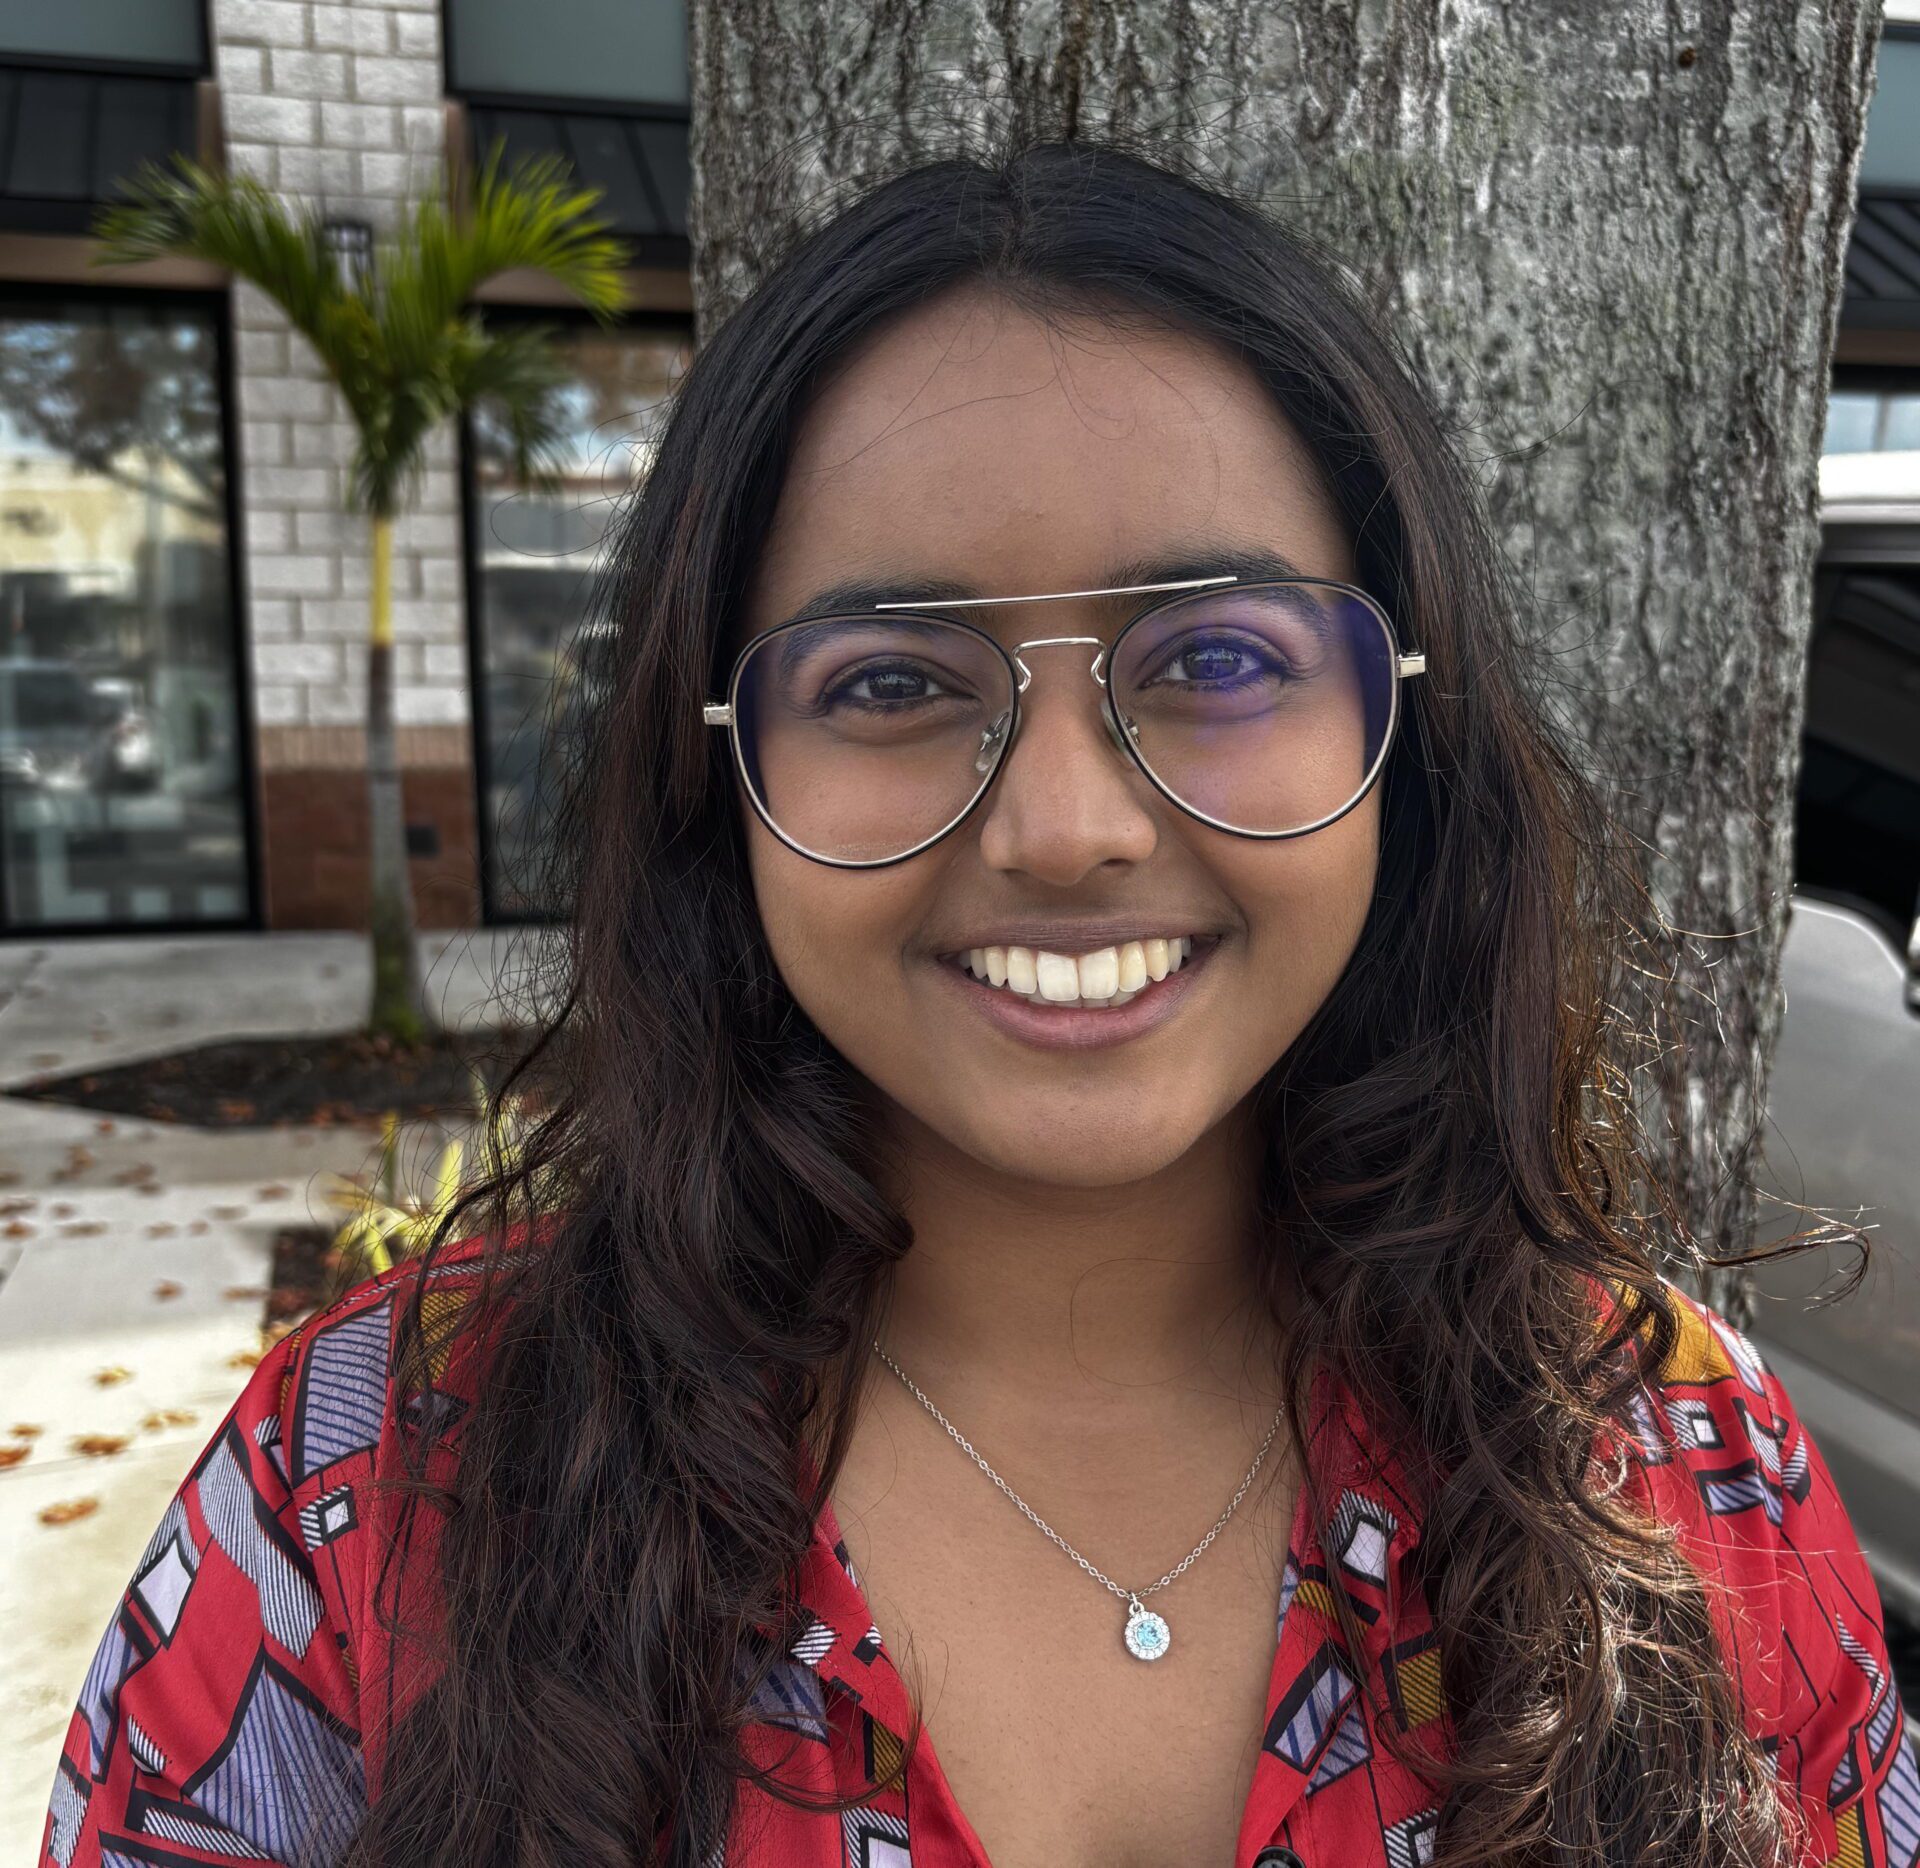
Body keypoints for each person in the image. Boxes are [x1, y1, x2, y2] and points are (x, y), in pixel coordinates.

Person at [40, 138, 1917, 1868]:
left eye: (1216, 657)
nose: (1070, 830)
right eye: (887, 683)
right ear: (719, 776)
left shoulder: (1678, 1468)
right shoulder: (363, 1488)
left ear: (1400, 730)